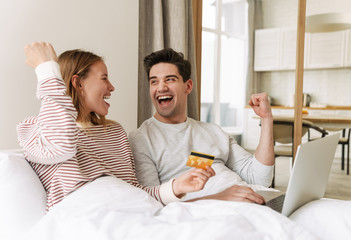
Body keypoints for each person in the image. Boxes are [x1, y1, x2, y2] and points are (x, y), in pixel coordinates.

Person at [17, 42, 215, 212]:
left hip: (132, 211)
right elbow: (61, 145)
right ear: (78, 83)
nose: (112, 87)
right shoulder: (36, 130)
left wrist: (175, 187)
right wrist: (47, 69)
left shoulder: (113, 132)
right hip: (85, 216)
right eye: (104, 78)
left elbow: (134, 191)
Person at [129, 48, 275, 204]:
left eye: (170, 79)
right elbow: (153, 202)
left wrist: (266, 119)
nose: (161, 87)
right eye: (154, 81)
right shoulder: (141, 139)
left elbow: (260, 178)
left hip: (250, 199)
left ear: (188, 86)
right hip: (211, 212)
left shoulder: (212, 131)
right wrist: (220, 198)